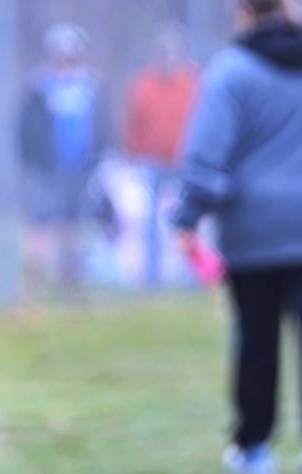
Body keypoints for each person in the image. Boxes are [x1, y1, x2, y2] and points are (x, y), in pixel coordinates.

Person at [171, 0, 302, 474]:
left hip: (257, 229)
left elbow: (207, 152)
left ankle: (254, 450)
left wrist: (190, 216)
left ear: (243, 11)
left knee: (257, 337)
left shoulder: (233, 71)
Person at [18, 21, 107, 294]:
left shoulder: (89, 87)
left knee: (73, 226)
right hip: (48, 170)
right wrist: (36, 160)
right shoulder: (40, 88)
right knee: (41, 223)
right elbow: (26, 129)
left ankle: (72, 281)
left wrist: (96, 159)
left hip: (80, 169)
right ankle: (33, 284)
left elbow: (102, 128)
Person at [117, 21, 200, 288]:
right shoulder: (144, 85)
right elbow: (133, 121)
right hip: (152, 162)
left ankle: (191, 275)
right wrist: (132, 152)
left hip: (184, 162)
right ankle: (152, 278)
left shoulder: (192, 83)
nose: (170, 58)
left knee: (188, 221)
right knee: (151, 222)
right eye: (165, 52)